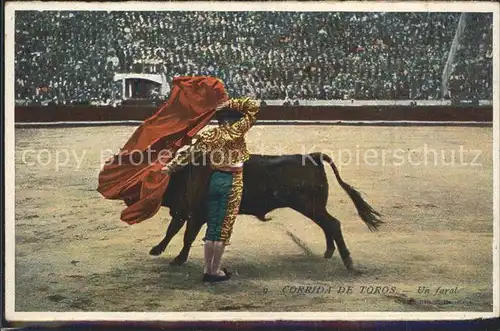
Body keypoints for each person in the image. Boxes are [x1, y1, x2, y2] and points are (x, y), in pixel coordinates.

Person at [161, 97, 261, 283]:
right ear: (234, 120)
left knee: (213, 225)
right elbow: (254, 106)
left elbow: (188, 154)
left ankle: (208, 268)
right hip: (233, 180)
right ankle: (214, 271)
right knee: (224, 227)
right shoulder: (238, 130)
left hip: (215, 179)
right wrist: (231, 103)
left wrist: (170, 167)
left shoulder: (208, 136)